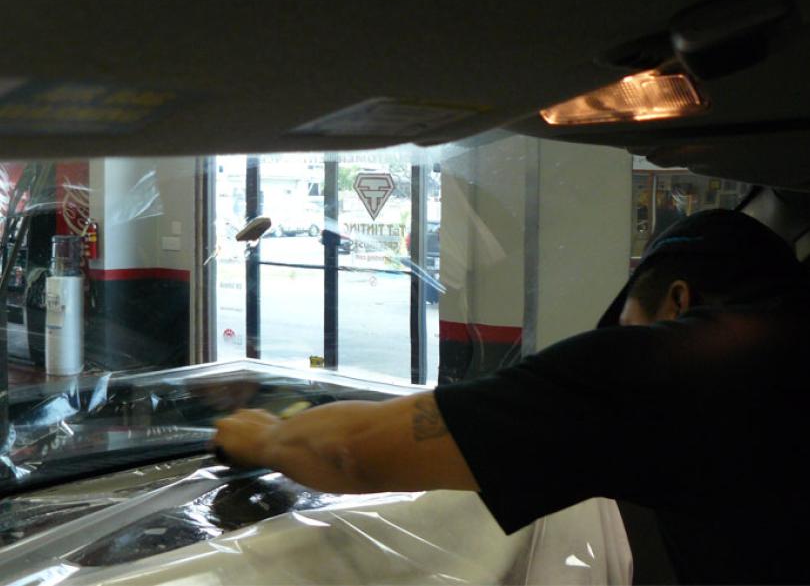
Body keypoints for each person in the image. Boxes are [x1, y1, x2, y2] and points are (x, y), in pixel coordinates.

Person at [214, 209, 810, 584]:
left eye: (632, 323)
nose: (628, 338)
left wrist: (264, 437)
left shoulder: (671, 367)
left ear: (678, 302)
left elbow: (354, 452)